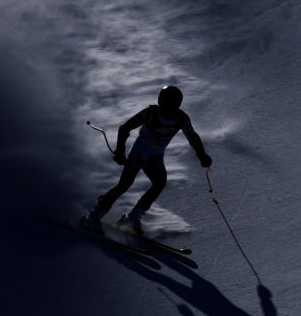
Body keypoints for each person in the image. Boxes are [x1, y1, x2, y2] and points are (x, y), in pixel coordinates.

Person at [83, 85, 212, 235]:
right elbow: (125, 128)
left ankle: (132, 219)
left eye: (170, 104)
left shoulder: (180, 118)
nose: (167, 108)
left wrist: (202, 155)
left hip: (154, 158)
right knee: (125, 185)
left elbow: (193, 137)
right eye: (165, 103)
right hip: (139, 154)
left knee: (158, 183)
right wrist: (120, 151)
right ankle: (93, 218)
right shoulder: (153, 113)